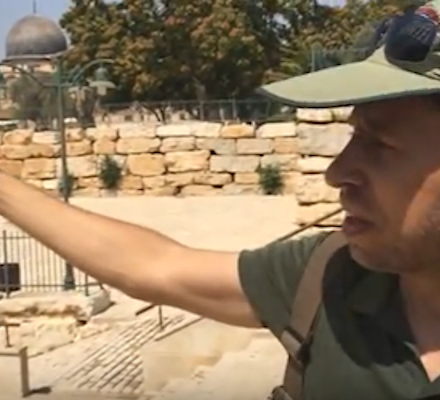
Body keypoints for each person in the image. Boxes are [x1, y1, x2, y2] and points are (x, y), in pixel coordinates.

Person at [3, 3, 440, 399]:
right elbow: (152, 267)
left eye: (379, 144)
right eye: (352, 135)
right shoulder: (331, 277)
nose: (335, 173)